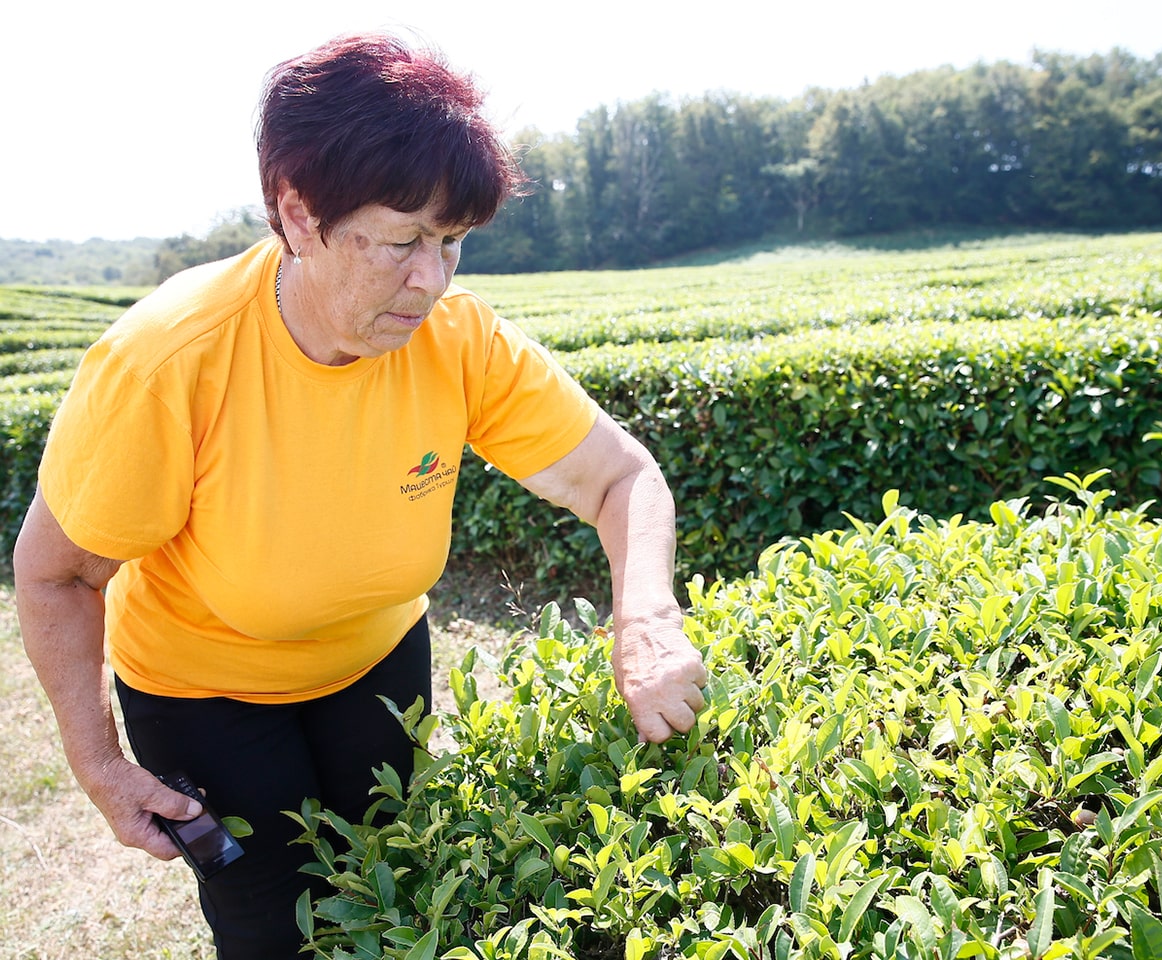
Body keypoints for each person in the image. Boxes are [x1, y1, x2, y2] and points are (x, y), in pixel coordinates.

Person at [12, 31, 707, 960]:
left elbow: (623, 478)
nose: (433, 280)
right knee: (274, 931)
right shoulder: (170, 363)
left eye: (452, 241)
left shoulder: (457, 338)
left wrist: (647, 618)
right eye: (401, 241)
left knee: (395, 890)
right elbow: (56, 574)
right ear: (297, 216)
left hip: (378, 661)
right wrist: (97, 763)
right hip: (207, 691)